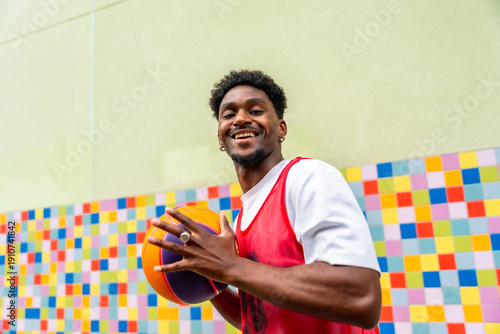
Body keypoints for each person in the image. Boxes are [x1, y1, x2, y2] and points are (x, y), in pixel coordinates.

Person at [147, 70, 382, 333]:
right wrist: (207, 273)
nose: (241, 119)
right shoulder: (242, 219)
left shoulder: (308, 178)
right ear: (221, 138)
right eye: (229, 114)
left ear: (281, 128)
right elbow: (257, 317)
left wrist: (229, 266)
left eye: (256, 111)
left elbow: (361, 298)